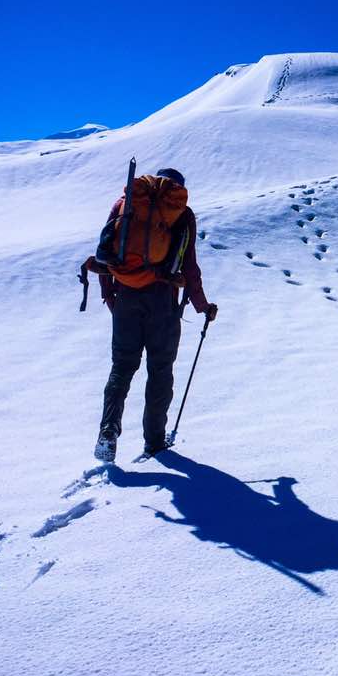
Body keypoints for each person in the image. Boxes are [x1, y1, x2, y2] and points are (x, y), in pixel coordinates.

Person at [94, 167, 217, 463]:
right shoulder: (182, 214)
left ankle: (108, 431)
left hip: (125, 296)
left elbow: (106, 251)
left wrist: (110, 293)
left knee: (122, 367)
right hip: (162, 301)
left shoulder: (127, 203)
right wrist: (202, 305)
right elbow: (189, 266)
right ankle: (154, 442)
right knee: (160, 371)